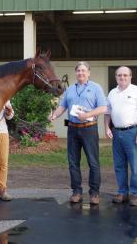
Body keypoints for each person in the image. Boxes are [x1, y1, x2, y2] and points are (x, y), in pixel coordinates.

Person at [48, 61, 107, 205]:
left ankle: (94, 193)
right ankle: (76, 191)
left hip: (89, 128)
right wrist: (54, 115)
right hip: (72, 129)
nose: (81, 73)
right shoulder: (70, 90)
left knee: (93, 162)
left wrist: (87, 115)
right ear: (76, 73)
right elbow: (62, 106)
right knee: (73, 162)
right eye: (78, 71)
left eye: (83, 70)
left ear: (89, 73)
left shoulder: (96, 88)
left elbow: (103, 108)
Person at [104, 66, 137, 206]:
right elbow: (107, 112)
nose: (122, 77)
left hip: (133, 132)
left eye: (125, 75)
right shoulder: (112, 93)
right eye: (119, 75)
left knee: (135, 165)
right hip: (117, 132)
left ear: (130, 76)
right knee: (119, 165)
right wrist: (106, 127)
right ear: (116, 77)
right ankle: (122, 192)